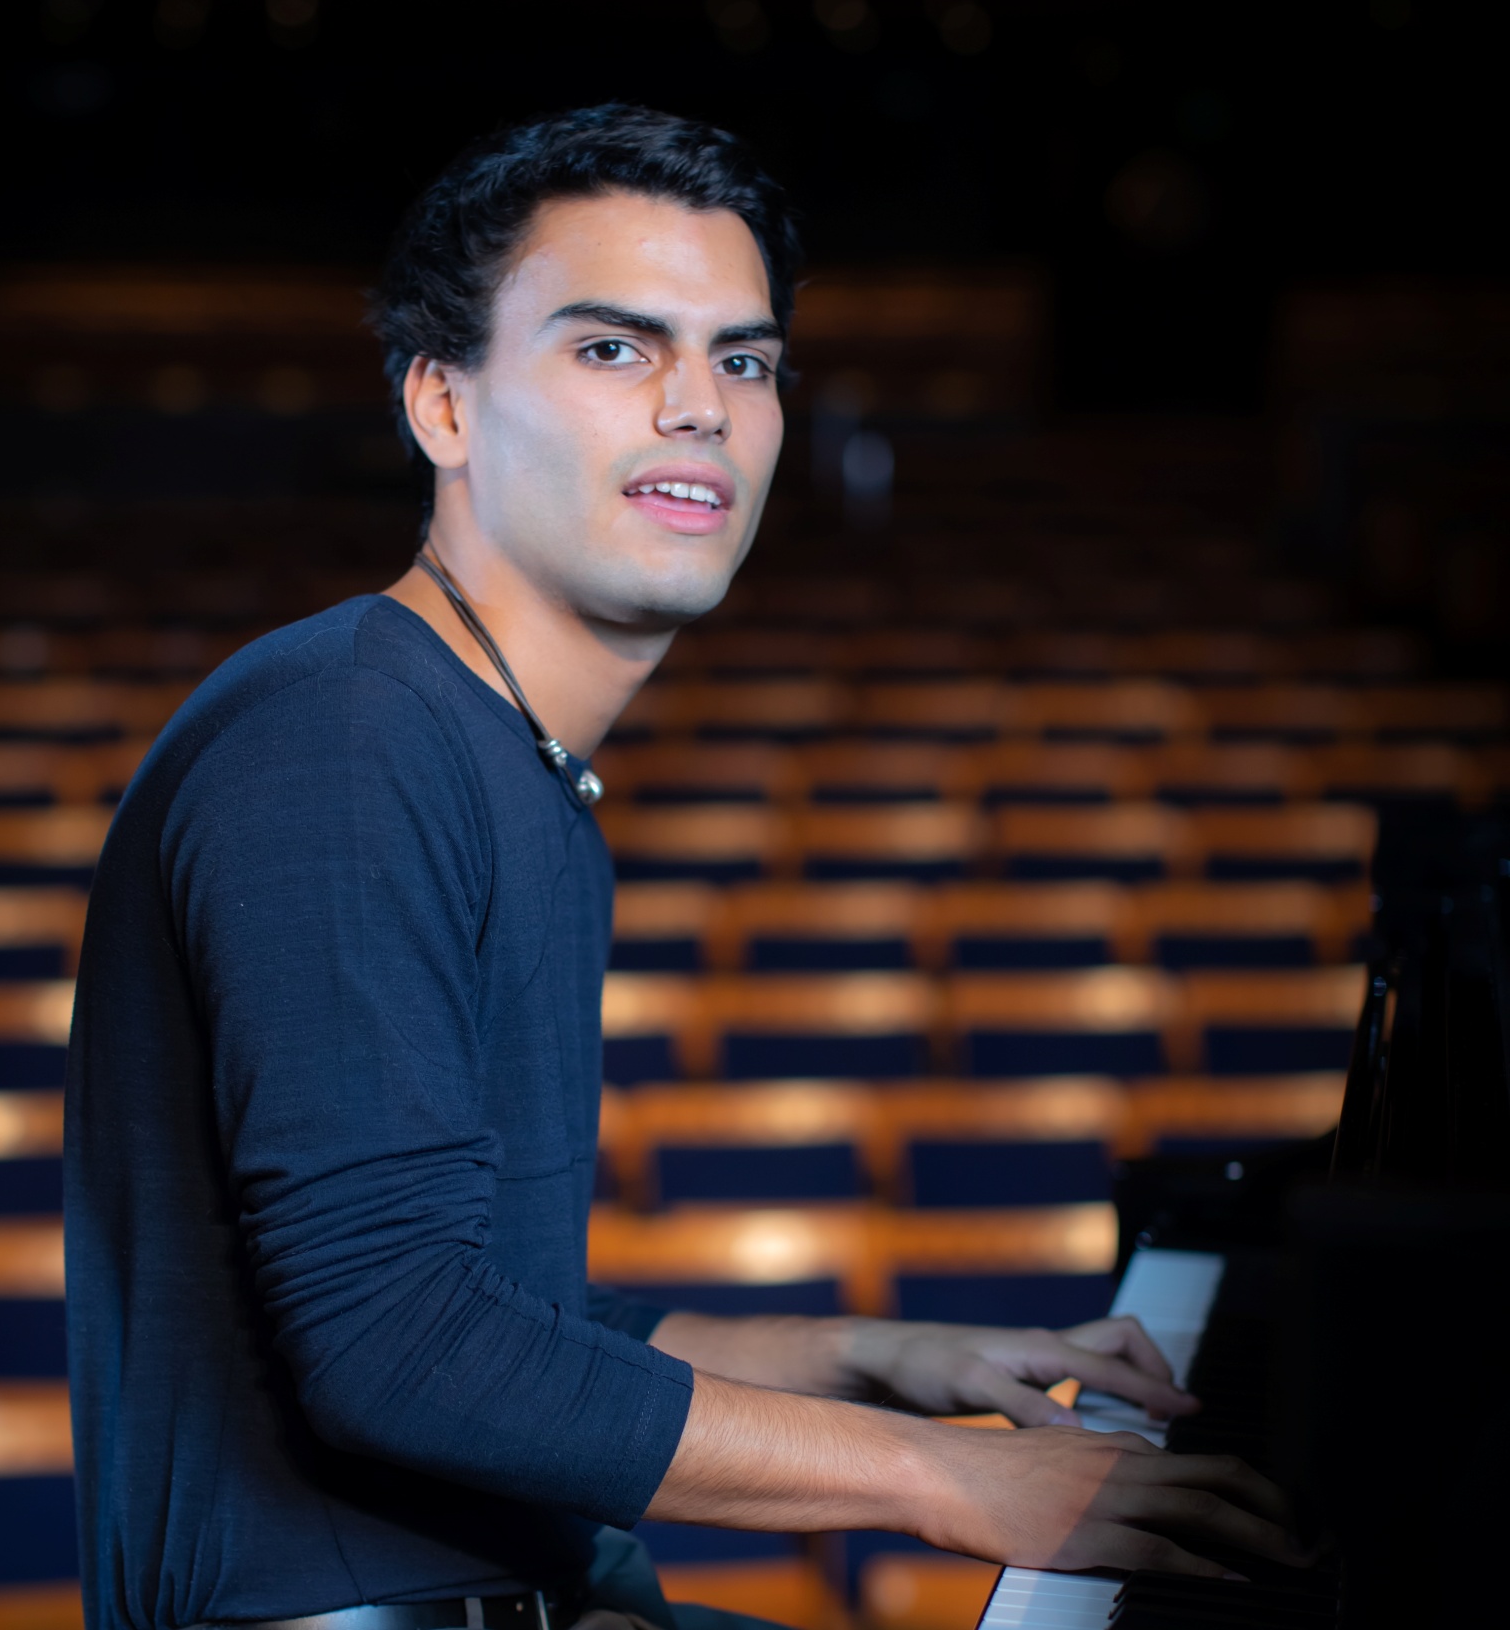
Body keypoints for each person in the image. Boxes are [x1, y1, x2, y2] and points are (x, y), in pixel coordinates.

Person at [65, 104, 1305, 1630]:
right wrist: (946, 1477)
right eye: (613, 348)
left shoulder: (505, 761)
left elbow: (505, 1318)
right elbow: (397, 1343)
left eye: (745, 358)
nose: (702, 406)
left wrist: (886, 1354)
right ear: (441, 406)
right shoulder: (342, 736)